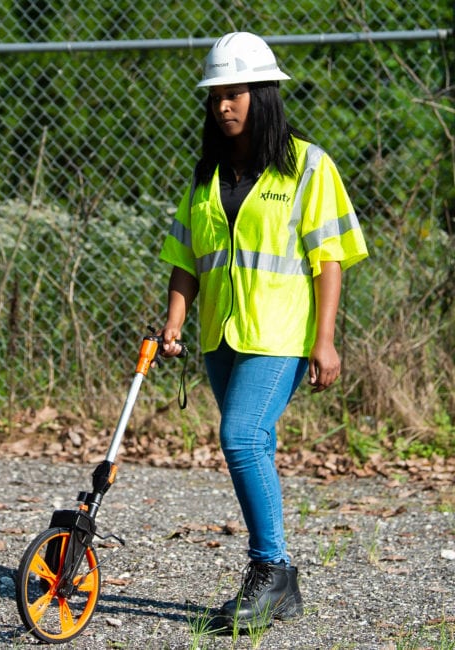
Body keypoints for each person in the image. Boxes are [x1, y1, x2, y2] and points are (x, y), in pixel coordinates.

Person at [157, 32, 368, 629]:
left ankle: (270, 570)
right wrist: (173, 324)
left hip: (280, 334)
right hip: (220, 336)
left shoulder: (308, 165)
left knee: (241, 437)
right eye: (215, 95)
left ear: (264, 93)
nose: (224, 104)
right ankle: (284, 588)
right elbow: (185, 258)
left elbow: (330, 258)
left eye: (236, 92)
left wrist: (324, 341)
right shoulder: (206, 175)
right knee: (257, 445)